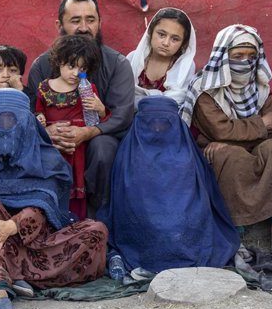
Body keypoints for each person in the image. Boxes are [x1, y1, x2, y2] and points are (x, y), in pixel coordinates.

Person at [0, 88, 108, 309]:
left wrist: (11, 227)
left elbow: (44, 208)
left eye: (13, 120)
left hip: (32, 244)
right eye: (0, 120)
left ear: (27, 122)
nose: (6, 127)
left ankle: (15, 275)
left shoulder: (46, 160)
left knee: (96, 232)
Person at [180, 24, 272, 263]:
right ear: (224, 56)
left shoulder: (259, 85)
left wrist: (249, 132)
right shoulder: (205, 89)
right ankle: (234, 233)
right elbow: (220, 129)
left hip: (248, 145)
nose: (245, 62)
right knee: (231, 155)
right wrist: (260, 125)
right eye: (237, 56)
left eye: (251, 56)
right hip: (216, 151)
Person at [99, 96, 240, 278]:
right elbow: (125, 202)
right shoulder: (129, 156)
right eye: (151, 123)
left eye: (164, 123)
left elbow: (200, 201)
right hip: (142, 227)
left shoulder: (188, 155)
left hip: (184, 229)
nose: (157, 128)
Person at [28, 0, 135, 217]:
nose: (84, 28)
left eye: (91, 20)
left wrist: (87, 132)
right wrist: (47, 132)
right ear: (60, 24)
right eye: (75, 21)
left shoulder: (117, 64)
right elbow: (30, 112)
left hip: (99, 138)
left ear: (100, 22)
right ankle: (48, 217)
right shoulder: (42, 66)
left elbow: (122, 115)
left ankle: (99, 221)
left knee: (103, 149)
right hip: (54, 138)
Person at [35, 35, 109, 220]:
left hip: (77, 150)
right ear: (59, 62)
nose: (76, 73)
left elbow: (98, 121)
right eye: (71, 66)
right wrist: (40, 118)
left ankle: (77, 226)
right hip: (53, 150)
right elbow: (37, 111)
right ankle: (53, 223)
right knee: (54, 185)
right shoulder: (44, 88)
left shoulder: (88, 88)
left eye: (82, 68)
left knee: (77, 187)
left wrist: (100, 109)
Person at [127, 7, 196, 107]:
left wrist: (143, 101)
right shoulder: (133, 58)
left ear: (183, 43)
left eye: (175, 39)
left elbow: (176, 100)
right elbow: (123, 95)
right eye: (161, 34)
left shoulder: (184, 66)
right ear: (150, 32)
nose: (166, 43)